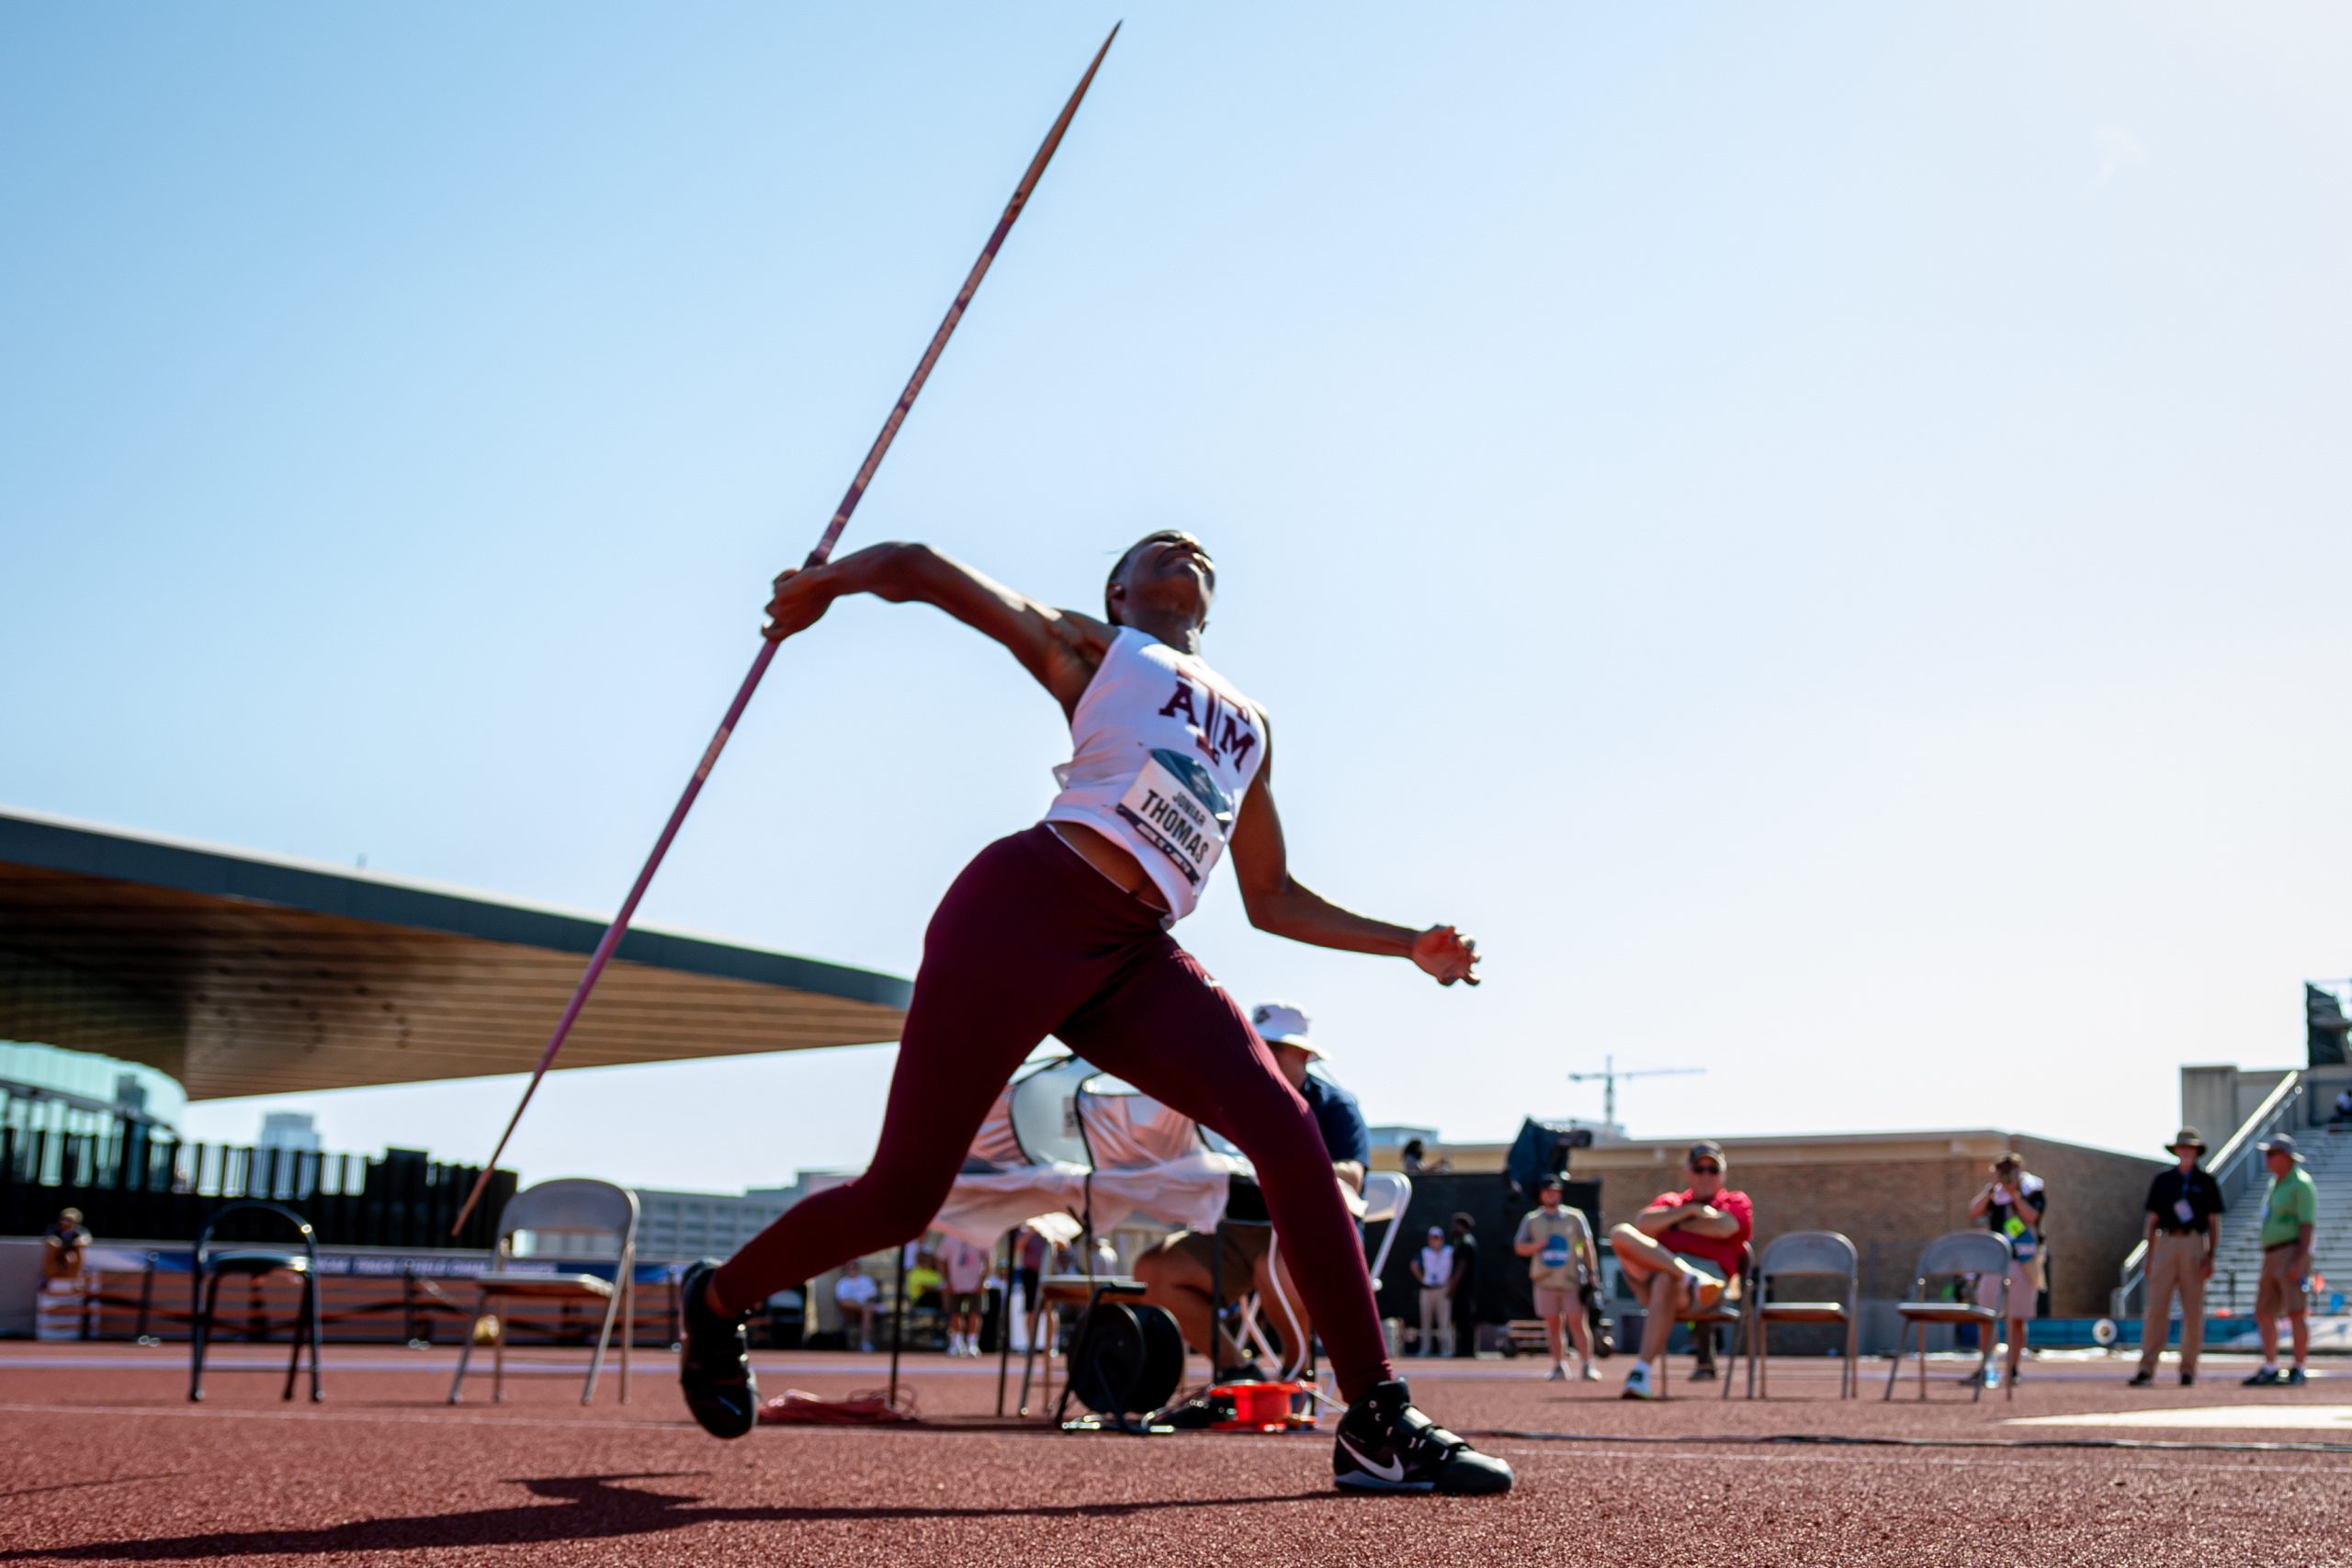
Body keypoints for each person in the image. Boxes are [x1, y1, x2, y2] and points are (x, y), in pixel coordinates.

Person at [675, 532, 1510, 1495]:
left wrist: (1407, 943)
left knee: (1286, 1132)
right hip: (1022, 911)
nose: (1185, 546)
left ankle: (1374, 1417)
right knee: (904, 1198)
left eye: (1198, 552)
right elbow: (919, 567)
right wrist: (825, 585)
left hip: (1131, 954)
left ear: (1208, 603)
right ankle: (719, 1300)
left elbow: (1271, 896)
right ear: (1120, 593)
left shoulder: (1249, 723)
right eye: (1156, 547)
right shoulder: (1094, 653)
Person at [1135, 1001, 1369, 1378]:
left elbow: (1351, 1176)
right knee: (1152, 1269)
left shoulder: (1334, 1106)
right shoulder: (1234, 1101)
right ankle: (1236, 1371)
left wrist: (1284, 1165)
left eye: (1274, 1048)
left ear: (1305, 1055)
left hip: (1308, 1237)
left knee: (1274, 1264)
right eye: (1255, 1047)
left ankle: (1297, 1376)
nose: (1262, 1058)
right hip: (1238, 1232)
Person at [1609, 1141, 1752, 1401]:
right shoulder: (1671, 1200)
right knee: (1620, 1233)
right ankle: (1687, 1275)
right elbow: (1643, 1223)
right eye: (1699, 1168)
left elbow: (1725, 1227)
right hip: (1652, 1279)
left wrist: (1673, 1224)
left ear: (1723, 1173)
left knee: (1667, 1279)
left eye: (1713, 1169)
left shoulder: (1735, 1200)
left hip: (1707, 1286)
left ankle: (1641, 1372)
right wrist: (1692, 1212)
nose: (1705, 1175)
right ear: (1688, 1171)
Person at [2128, 1128, 2223, 1388]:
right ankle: (2146, 1369)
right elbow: (2153, 1219)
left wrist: (2210, 1255)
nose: (2186, 1152)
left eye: (2190, 1148)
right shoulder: (2163, 1180)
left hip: (2194, 1243)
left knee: (2193, 1311)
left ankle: (2188, 1369)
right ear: (2176, 1151)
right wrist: (2149, 1256)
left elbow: (2214, 1222)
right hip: (2166, 1242)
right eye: (2182, 1148)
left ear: (2196, 1151)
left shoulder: (2206, 1182)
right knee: (2157, 1308)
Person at [1967, 1153, 2045, 1390]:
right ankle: (1986, 1366)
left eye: (2011, 1169)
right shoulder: (1994, 1193)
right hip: (1996, 1260)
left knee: (2017, 1318)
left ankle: (2013, 1368)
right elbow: (1974, 1211)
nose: (2006, 1174)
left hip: (2024, 1259)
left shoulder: (2034, 1189)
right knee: (1986, 1316)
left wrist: (2014, 1194)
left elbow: (2031, 1216)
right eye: (2002, 1169)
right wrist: (1993, 1188)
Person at [2245, 1134, 2317, 1388]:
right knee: (2264, 1312)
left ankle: (2299, 1367)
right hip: (2270, 1254)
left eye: (2271, 1153)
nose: (2267, 1158)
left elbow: (2307, 1225)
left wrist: (2299, 1261)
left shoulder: (2301, 1184)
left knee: (2296, 1311)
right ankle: (2270, 1366)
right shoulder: (2275, 1184)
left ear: (2285, 1156)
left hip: (2290, 1252)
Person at [1515, 1174, 1601, 1382]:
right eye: (1547, 1191)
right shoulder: (1532, 1219)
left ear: (1560, 1193)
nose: (1551, 1195)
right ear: (1541, 1195)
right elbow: (1519, 1247)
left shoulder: (1575, 1217)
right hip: (1545, 1280)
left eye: (1554, 1191)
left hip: (1571, 1280)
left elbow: (1587, 1245)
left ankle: (1587, 1365)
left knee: (1577, 1322)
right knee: (1553, 1324)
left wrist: (1592, 1274)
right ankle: (1558, 1365)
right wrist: (1538, 1245)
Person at [940, 1235, 991, 1358]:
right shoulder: (949, 1238)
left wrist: (982, 1281)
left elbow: (988, 1261)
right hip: (955, 1283)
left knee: (975, 1313)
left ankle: (972, 1344)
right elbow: (941, 1259)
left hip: (974, 1284)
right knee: (955, 1313)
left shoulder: (981, 1238)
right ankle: (956, 1343)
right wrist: (947, 1280)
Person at [1412, 1225, 1454, 1358]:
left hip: (1443, 1289)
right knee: (1425, 1321)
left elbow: (1456, 1267)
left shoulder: (1449, 1251)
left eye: (1438, 1238)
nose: (1435, 1240)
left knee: (1444, 1321)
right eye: (1433, 1238)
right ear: (1429, 1239)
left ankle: (1446, 1350)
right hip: (1427, 1289)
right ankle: (1425, 1349)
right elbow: (1414, 1264)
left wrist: (1450, 1283)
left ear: (1442, 1239)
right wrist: (1422, 1279)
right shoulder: (1424, 1252)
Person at [1447, 1213, 1481, 1359]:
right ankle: (1463, 1350)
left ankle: (1466, 1351)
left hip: (1464, 1289)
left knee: (1465, 1320)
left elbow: (1461, 1267)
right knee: (1462, 1320)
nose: (1453, 1227)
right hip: (1464, 1289)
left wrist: (1453, 1287)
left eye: (1455, 1225)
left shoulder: (1465, 1243)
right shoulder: (1461, 1241)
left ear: (1462, 1226)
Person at [832, 1259, 879, 1353]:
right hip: (849, 1312)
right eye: (849, 1268)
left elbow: (872, 1296)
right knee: (864, 1308)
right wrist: (857, 1303)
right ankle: (865, 1343)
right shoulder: (842, 1283)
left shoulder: (866, 1280)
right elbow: (841, 1300)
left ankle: (864, 1343)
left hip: (864, 1311)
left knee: (867, 1311)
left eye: (854, 1268)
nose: (852, 1270)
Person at [40, 1208, 90, 1284]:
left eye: (69, 1220)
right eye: (63, 1219)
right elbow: (47, 1238)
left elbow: (86, 1239)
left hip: (71, 1254)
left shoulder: (80, 1231)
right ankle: (48, 1277)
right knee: (51, 1248)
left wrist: (79, 1242)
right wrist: (54, 1242)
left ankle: (76, 1278)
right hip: (57, 1254)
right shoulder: (53, 1229)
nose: (65, 1222)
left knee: (73, 1255)